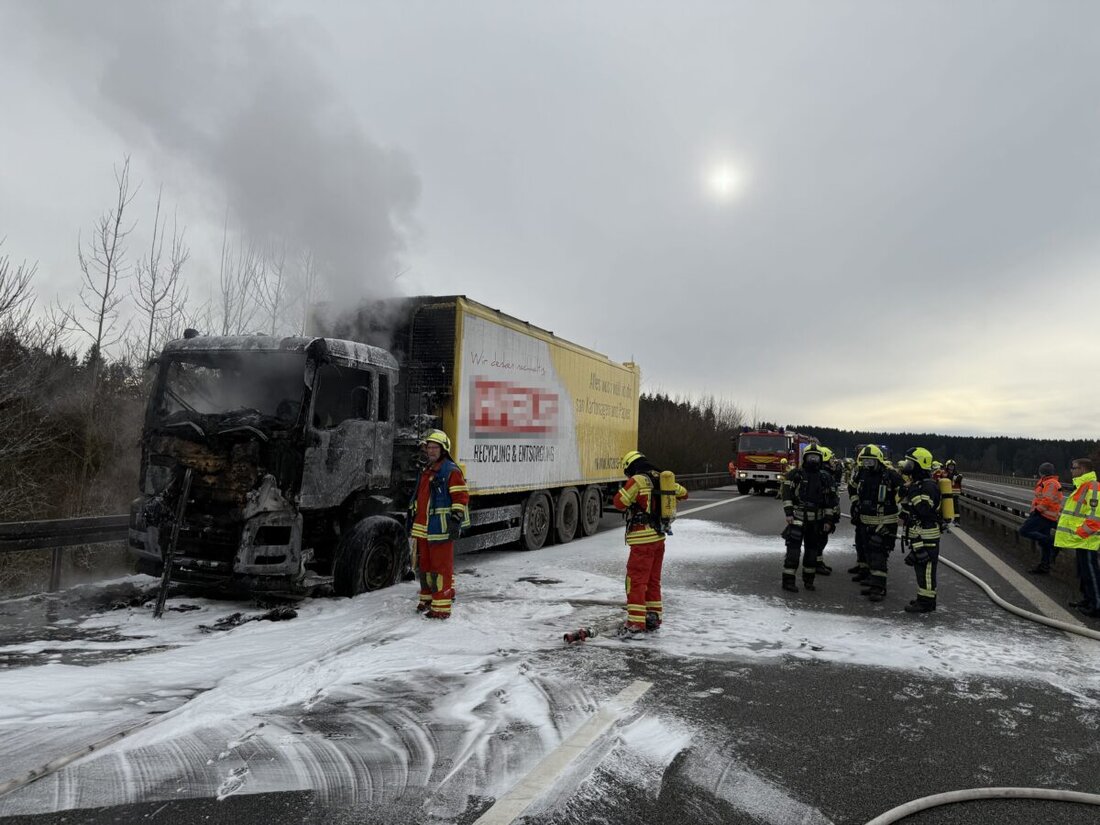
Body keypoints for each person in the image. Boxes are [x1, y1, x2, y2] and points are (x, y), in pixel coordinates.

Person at [613, 450, 689, 634]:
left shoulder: (638, 480)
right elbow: (684, 493)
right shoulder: (661, 477)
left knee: (636, 580)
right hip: (659, 538)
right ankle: (653, 617)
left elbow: (619, 502)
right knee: (653, 580)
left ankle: (635, 623)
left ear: (631, 466)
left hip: (642, 540)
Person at [406, 429, 469, 619]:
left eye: (435, 448)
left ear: (443, 450)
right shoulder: (427, 470)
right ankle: (427, 599)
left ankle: (441, 608)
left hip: (441, 528)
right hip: (424, 528)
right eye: (429, 447)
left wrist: (455, 520)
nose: (431, 451)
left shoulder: (450, 470)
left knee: (441, 568)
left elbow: (461, 496)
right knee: (425, 567)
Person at [780, 444, 838, 593]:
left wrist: (828, 520)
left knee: (812, 554)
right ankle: (788, 581)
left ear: (820, 459)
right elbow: (786, 493)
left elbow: (830, 501)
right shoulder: (795, 474)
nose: (813, 460)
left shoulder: (825, 477)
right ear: (805, 458)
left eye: (816, 457)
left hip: (816, 523)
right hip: (797, 520)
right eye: (810, 457)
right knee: (793, 554)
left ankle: (809, 581)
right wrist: (788, 513)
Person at [849, 444, 904, 601]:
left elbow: (905, 492)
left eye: (870, 461)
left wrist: (902, 512)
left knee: (878, 555)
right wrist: (855, 503)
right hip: (866, 522)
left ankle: (878, 589)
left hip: (885, 522)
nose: (867, 464)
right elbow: (852, 488)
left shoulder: (890, 476)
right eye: (865, 461)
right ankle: (874, 583)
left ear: (878, 461)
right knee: (868, 553)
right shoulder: (862, 474)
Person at [898, 447, 942, 613]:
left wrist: (913, 491)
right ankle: (922, 598)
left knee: (927, 570)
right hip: (919, 535)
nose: (908, 466)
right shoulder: (918, 484)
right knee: (920, 569)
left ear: (919, 465)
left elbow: (924, 510)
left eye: (911, 462)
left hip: (928, 537)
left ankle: (927, 603)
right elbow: (912, 509)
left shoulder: (928, 486)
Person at [1054, 458, 1100, 618]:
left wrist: (1080, 533)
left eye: (1073, 468)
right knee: (1083, 571)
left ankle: (1096, 605)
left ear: (1082, 469)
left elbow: (1095, 518)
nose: (1071, 471)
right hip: (1081, 539)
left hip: (1087, 539)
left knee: (1091, 572)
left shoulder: (1092, 487)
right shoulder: (1082, 486)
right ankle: (1087, 600)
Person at [1019, 462, 1064, 574]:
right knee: (1043, 543)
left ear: (1041, 472)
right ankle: (1045, 566)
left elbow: (1047, 500)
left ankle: (1052, 542)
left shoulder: (1051, 483)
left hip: (1044, 515)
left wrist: (1037, 511)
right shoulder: (1047, 482)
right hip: (1046, 515)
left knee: (1024, 530)